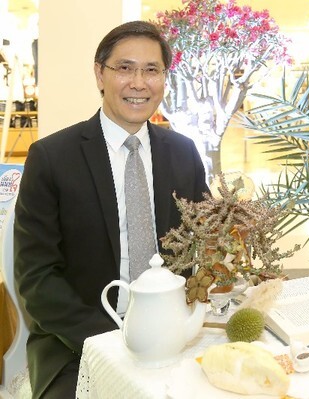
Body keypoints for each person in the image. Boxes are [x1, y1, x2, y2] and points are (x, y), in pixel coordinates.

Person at [14, 20, 210, 398]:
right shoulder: (53, 158)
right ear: (99, 74)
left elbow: (202, 245)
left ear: (164, 79)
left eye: (151, 70)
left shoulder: (183, 153)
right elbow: (36, 278)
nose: (139, 83)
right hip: (79, 344)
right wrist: (112, 341)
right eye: (124, 68)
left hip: (175, 334)